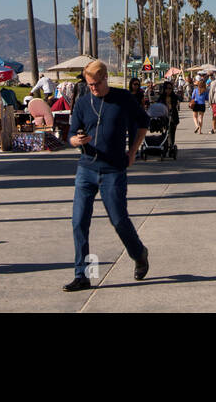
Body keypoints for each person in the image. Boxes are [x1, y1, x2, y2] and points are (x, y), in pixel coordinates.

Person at [64, 60, 150, 292]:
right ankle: (81, 275)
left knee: (119, 220)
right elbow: (71, 134)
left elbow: (143, 123)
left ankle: (139, 253)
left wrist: (132, 151)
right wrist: (75, 141)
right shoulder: (82, 103)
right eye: (89, 84)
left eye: (95, 83)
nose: (92, 88)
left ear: (105, 79)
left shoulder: (123, 99)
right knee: (78, 221)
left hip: (113, 170)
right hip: (86, 170)